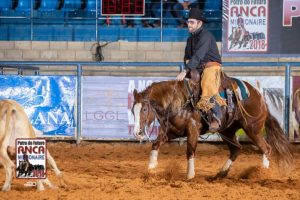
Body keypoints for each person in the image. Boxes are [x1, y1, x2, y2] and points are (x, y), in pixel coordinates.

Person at [176, 8, 226, 132]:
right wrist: (187, 65)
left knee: (207, 84)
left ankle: (217, 116)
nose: (189, 25)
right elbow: (188, 56)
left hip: (211, 66)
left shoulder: (206, 36)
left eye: (192, 22)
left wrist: (185, 70)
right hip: (197, 67)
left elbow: (198, 55)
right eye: (188, 22)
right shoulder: (190, 39)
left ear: (200, 23)